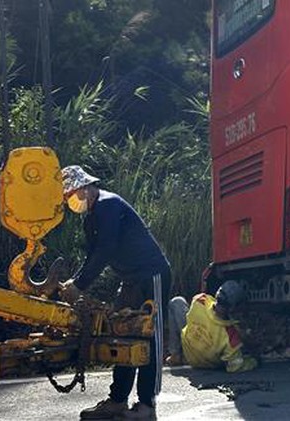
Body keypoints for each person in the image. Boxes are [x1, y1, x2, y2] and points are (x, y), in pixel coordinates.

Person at [59, 165, 171, 421]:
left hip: (151, 274)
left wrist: (79, 285)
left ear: (86, 187)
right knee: (122, 335)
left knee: (150, 337)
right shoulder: (91, 217)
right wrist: (75, 282)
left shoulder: (108, 204)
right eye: (67, 197)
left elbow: (105, 250)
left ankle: (147, 405)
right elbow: (92, 255)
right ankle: (118, 400)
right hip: (130, 279)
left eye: (72, 193)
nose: (71, 200)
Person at [165, 280, 258, 372]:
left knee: (177, 302)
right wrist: (253, 361)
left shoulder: (200, 301)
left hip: (187, 350)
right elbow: (234, 367)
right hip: (206, 364)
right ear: (233, 308)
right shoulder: (231, 336)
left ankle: (175, 355)